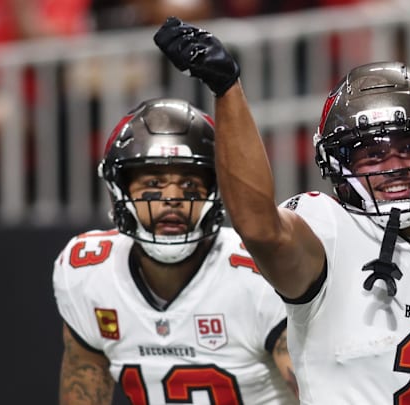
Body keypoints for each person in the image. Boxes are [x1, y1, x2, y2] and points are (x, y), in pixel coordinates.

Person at [154, 17, 410, 404]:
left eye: (409, 147)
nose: (392, 166)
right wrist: (227, 89)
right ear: (340, 167)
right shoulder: (328, 233)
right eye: (371, 155)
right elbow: (258, 228)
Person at [52, 97, 298, 405]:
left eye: (190, 186)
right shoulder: (90, 271)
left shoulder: (255, 274)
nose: (172, 198)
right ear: (120, 190)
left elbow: (317, 392)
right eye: (154, 183)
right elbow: (84, 383)